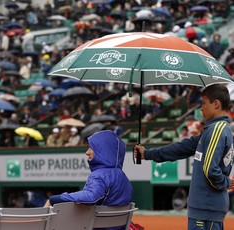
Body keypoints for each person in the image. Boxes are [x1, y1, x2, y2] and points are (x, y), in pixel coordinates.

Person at [134, 84, 234, 230]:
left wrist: (225, 182)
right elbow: (180, 148)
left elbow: (209, 169)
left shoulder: (217, 130)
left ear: (216, 104)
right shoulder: (211, 130)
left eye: (204, 103)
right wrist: (147, 154)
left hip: (206, 208)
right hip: (205, 208)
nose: (201, 108)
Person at [44, 130, 133, 230]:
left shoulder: (99, 175)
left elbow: (91, 196)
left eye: (91, 148)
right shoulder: (123, 176)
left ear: (102, 150)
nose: (87, 152)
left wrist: (55, 199)